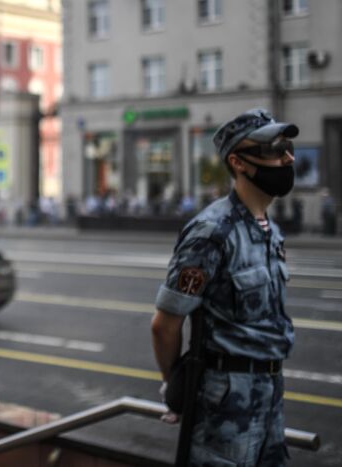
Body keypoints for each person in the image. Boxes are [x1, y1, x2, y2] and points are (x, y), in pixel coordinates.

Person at [151, 108, 297, 466]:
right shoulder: (213, 231)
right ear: (239, 162)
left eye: (286, 146)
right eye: (273, 149)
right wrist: (177, 390)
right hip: (225, 405)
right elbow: (165, 324)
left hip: (270, 397)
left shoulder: (270, 231)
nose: (287, 157)